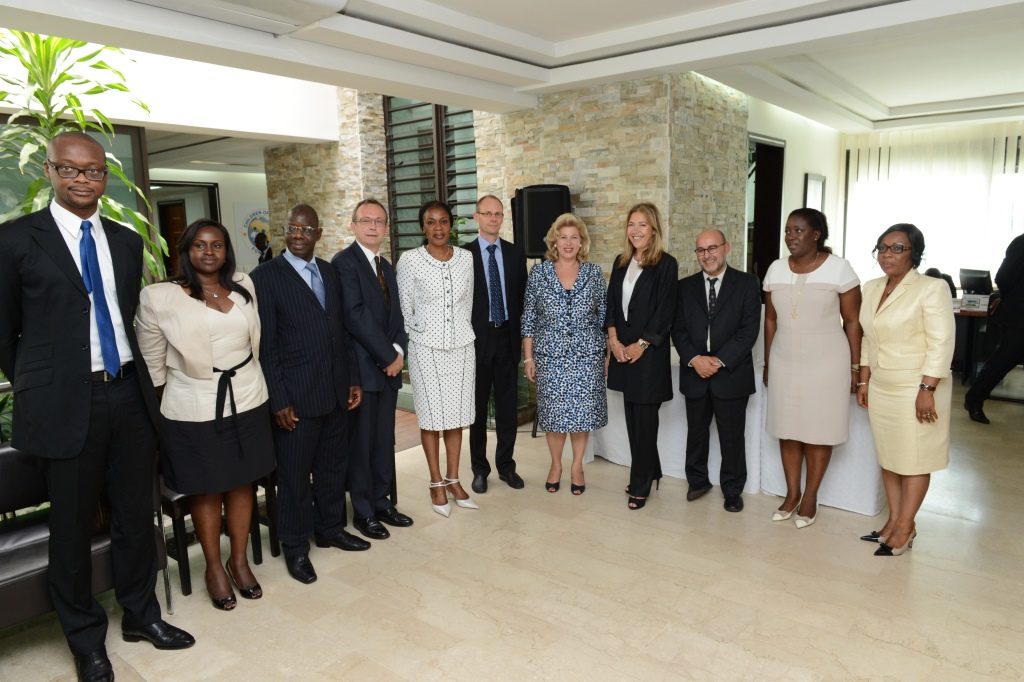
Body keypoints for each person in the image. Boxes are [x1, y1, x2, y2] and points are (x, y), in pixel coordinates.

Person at [0, 132, 194, 681]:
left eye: (94, 172)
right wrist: (41, 385)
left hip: (127, 393)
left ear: (104, 178)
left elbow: (126, 314)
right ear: (50, 171)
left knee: (136, 515)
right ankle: (85, 639)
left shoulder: (126, 240)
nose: (83, 180)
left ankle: (140, 615)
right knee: (71, 528)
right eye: (71, 170)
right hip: (64, 404)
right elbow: (5, 331)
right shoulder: (15, 241)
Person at [136, 218, 275, 610]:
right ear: (186, 251)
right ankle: (214, 568)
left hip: (248, 397)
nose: (209, 252)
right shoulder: (160, 297)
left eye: (216, 245)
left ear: (227, 251)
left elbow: (255, 341)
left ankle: (240, 560)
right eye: (200, 245)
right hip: (193, 407)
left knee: (244, 483)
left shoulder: (245, 285)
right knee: (208, 487)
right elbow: (152, 367)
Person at [251, 204, 368, 587]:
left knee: (334, 468)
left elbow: (342, 333)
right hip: (295, 401)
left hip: (335, 392)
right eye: (292, 228)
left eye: (306, 229)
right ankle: (296, 545)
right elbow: (265, 347)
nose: (298, 234)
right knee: (296, 477)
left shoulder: (330, 272)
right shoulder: (266, 277)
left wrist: (351, 379)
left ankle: (331, 528)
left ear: (318, 234)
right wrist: (279, 400)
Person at [856, 223, 954, 556]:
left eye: (897, 248)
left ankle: (906, 527)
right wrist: (864, 379)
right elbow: (869, 339)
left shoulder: (931, 288)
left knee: (914, 459)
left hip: (918, 386)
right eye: (882, 248)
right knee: (890, 457)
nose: (887, 254)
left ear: (914, 253)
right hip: (882, 385)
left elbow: (942, 342)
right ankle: (893, 521)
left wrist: (927, 388)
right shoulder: (871, 288)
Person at [762, 209, 862, 527]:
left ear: (816, 234)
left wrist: (855, 367)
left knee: (818, 432)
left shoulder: (839, 269)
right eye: (788, 230)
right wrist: (767, 361)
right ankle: (791, 494)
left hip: (827, 363)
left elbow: (853, 321)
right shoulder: (775, 269)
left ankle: (810, 497)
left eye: (799, 230)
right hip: (783, 361)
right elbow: (771, 319)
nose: (791, 236)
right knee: (787, 429)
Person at [332, 199, 414, 540]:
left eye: (379, 221)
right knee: (362, 446)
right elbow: (354, 316)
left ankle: (383, 503)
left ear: (386, 228)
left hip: (387, 370)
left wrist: (398, 350)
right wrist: (388, 356)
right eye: (365, 220)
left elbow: (397, 316)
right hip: (363, 373)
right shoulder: (344, 263)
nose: (373, 226)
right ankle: (363, 512)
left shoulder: (387, 266)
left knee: (384, 443)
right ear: (353, 225)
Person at [396, 200, 478, 516]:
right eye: (431, 222)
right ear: (423, 227)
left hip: (462, 347)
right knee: (432, 418)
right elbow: (405, 309)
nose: (439, 228)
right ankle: (435, 483)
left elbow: (467, 304)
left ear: (451, 225)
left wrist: (459, 333)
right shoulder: (410, 260)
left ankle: (454, 479)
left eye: (443, 221)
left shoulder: (466, 259)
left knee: (456, 417)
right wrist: (424, 336)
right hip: (425, 350)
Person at [672, 229, 761, 513]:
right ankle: (697, 481)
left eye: (712, 248)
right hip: (694, 372)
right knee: (696, 433)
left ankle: (732, 490)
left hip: (731, 374)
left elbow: (749, 331)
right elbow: (678, 329)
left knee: (732, 436)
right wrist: (695, 358)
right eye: (701, 250)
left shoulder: (747, 284)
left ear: (726, 248)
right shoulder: (683, 287)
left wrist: (719, 361)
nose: (707, 255)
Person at [521, 214, 608, 495]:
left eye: (574, 237)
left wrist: (606, 356)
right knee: (554, 416)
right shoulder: (539, 274)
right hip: (550, 357)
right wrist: (529, 357)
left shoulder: (594, 274)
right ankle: (556, 465)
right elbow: (528, 318)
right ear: (554, 242)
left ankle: (577, 467)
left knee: (581, 417)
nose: (568, 242)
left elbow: (604, 318)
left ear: (581, 242)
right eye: (563, 237)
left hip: (587, 357)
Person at [606, 202, 678, 510]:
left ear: (654, 230)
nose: (636, 230)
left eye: (643, 225)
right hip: (622, 352)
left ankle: (640, 484)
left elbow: (666, 311)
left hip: (648, 356)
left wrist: (642, 344)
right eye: (631, 224)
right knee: (634, 419)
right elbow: (611, 304)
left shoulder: (666, 264)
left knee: (646, 420)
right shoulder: (621, 262)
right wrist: (613, 341)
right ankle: (651, 471)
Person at [465, 194, 528, 493]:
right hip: (477, 341)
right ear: (476, 217)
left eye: (498, 214)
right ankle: (480, 469)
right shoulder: (463, 255)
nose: (493, 218)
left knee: (507, 408)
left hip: (507, 339)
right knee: (476, 410)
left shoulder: (517, 255)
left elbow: (523, 303)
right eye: (487, 213)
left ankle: (506, 466)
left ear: (503, 218)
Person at [964, 234, 1024, 424]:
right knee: (1004, 360)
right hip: (1020, 315)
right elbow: (1003, 277)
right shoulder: (1022, 242)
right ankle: (974, 399)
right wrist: (1006, 295)